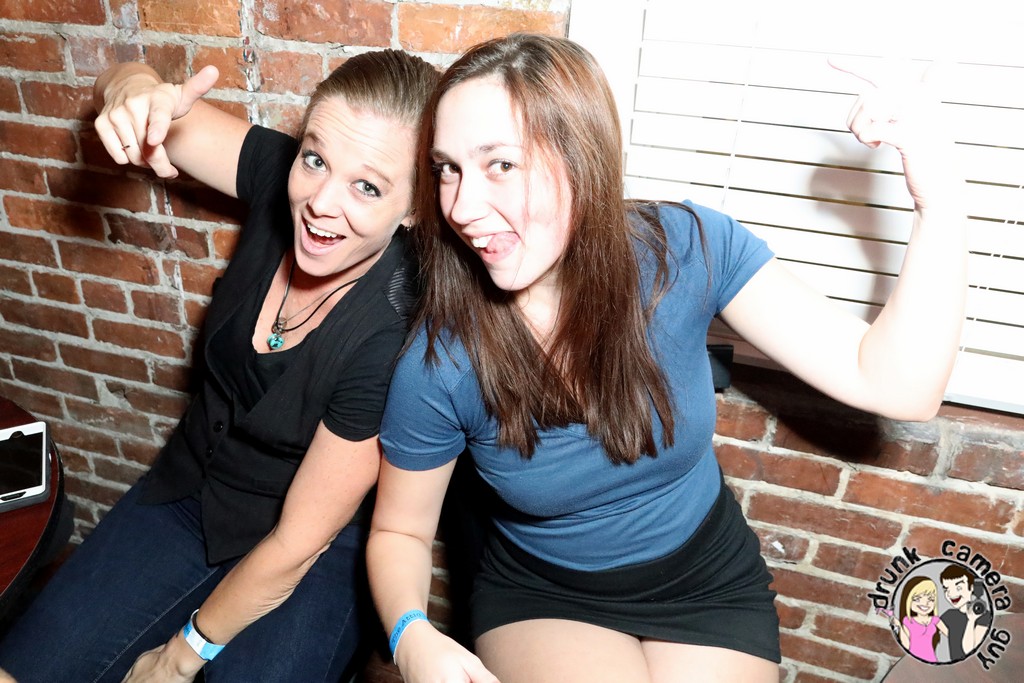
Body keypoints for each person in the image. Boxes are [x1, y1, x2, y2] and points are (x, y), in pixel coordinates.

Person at [366, 33, 965, 683]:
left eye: (500, 165)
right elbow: (398, 532)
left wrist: (939, 195)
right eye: (447, 168)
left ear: (582, 157)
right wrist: (410, 632)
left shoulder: (684, 250)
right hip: (547, 594)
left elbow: (898, 384)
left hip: (706, 579)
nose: (460, 207)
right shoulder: (442, 362)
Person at [0, 48, 438, 682]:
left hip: (313, 548)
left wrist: (179, 657)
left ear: (416, 207)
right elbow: (131, 84)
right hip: (191, 491)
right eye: (315, 160)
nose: (320, 202)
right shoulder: (278, 174)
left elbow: (297, 543)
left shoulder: (395, 333)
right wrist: (134, 90)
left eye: (367, 187)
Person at [939, 564, 991, 661]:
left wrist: (971, 620)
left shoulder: (984, 616)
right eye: (947, 589)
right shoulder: (949, 615)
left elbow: (969, 651)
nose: (951, 594)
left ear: (971, 587)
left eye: (958, 588)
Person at [889, 577, 947, 662]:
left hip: (931, 659)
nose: (925, 603)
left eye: (931, 599)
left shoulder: (935, 620)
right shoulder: (908, 621)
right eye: (917, 599)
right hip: (913, 660)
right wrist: (899, 626)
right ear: (908, 600)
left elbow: (951, 635)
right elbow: (906, 645)